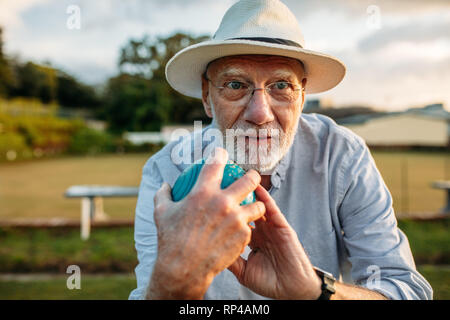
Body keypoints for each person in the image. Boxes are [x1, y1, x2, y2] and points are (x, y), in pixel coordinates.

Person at [129, 0, 432, 300]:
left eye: (281, 86)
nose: (260, 113)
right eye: (235, 85)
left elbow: (405, 289)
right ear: (207, 97)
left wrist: (316, 292)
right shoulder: (168, 168)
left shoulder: (341, 155)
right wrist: (176, 275)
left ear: (301, 96)